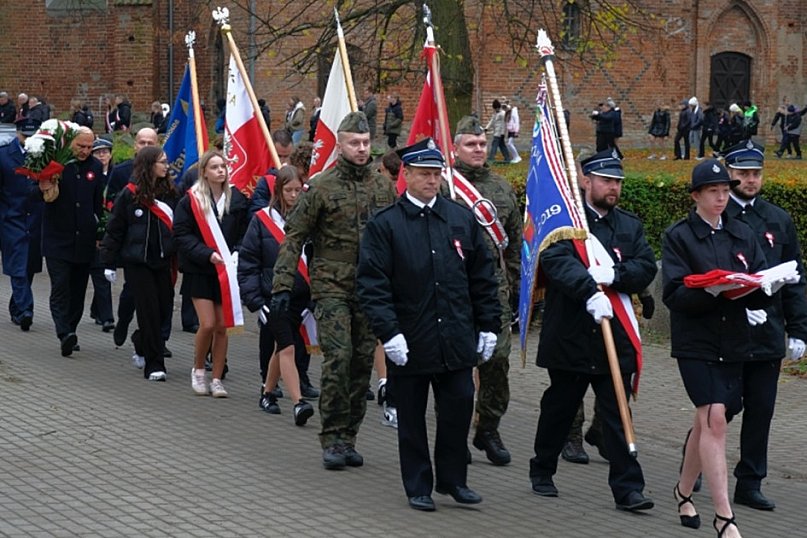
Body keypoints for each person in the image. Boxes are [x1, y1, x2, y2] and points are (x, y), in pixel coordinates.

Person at [356, 138, 500, 511]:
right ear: (406, 175)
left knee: (458, 409)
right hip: (411, 336)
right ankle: (418, 484)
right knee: (412, 417)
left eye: (436, 174)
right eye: (424, 174)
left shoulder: (459, 218)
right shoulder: (385, 225)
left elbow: (482, 276)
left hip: (454, 335)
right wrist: (389, 333)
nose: (431, 181)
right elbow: (373, 285)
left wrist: (488, 324)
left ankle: (453, 480)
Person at [529, 149, 657, 514]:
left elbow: (644, 265)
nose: (613, 187)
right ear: (587, 181)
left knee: (616, 412)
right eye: (605, 180)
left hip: (613, 335)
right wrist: (587, 290)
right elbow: (554, 260)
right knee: (560, 407)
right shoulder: (566, 221)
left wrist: (614, 276)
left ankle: (629, 488)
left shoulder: (628, 226)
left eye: (617, 181)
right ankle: (542, 468)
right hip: (571, 331)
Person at [269, 111, 397, 470]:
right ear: (340, 145)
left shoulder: (382, 186)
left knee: (360, 364)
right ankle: (331, 437)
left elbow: (396, 238)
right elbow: (294, 237)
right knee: (338, 358)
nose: (361, 148)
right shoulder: (321, 187)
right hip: (331, 285)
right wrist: (282, 284)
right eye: (354, 143)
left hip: (369, 287)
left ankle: (349, 436)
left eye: (366, 142)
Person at [663, 159, 775, 538]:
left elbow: (757, 275)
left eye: (726, 191)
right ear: (696, 195)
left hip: (734, 339)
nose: (722, 198)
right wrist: (713, 291)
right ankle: (724, 516)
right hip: (696, 340)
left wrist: (760, 292)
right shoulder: (680, 236)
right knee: (714, 418)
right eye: (714, 192)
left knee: (708, 420)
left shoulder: (742, 232)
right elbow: (674, 293)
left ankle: (682, 490)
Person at [723, 141, 807, 510]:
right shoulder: (719, 213)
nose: (751, 180)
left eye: (756, 173)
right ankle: (693, 468)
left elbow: (795, 277)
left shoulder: (777, 219)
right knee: (721, 406)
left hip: (768, 329)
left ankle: (750, 481)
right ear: (729, 173)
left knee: (761, 408)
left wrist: (800, 329)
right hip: (727, 329)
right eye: (743, 173)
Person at [451, 115, 521, 465]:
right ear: (455, 148)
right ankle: (456, 434)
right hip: (454, 292)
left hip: (495, 294)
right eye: (470, 144)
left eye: (481, 144)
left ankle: (488, 428)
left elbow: (513, 245)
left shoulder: (501, 188)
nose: (478, 149)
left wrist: (518, 291)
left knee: (497, 363)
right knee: (459, 368)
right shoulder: (445, 187)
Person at [238, 165, 315, 424]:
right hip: (272, 296)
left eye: (298, 190)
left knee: (281, 348)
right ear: (277, 191)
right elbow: (247, 264)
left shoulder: (310, 221)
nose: (294, 195)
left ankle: (267, 392)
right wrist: (255, 301)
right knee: (288, 347)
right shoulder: (261, 220)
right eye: (288, 190)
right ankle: (298, 403)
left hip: (301, 298)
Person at [174, 150, 249, 397]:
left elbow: (243, 233)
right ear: (204, 171)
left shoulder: (236, 199)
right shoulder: (191, 201)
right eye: (215, 167)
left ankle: (217, 378)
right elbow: (182, 235)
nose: (221, 171)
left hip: (225, 273)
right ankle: (198, 369)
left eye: (223, 167)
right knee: (206, 324)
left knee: (221, 327)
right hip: (201, 270)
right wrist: (206, 253)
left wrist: (237, 252)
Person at [100, 147, 177, 381]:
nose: (166, 166)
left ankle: (140, 341)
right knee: (149, 311)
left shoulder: (172, 194)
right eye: (161, 162)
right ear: (149, 165)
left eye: (167, 162)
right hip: (137, 262)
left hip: (163, 261)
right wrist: (109, 262)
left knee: (164, 309)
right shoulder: (129, 195)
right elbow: (115, 230)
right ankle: (154, 365)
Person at [38, 126, 104, 356]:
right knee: (60, 286)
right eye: (81, 146)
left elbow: (98, 204)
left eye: (89, 147)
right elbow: (34, 194)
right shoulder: (56, 163)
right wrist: (42, 187)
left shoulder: (96, 168)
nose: (85, 151)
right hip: (57, 239)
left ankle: (71, 330)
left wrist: (99, 233)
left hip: (84, 240)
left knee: (78, 290)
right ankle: (63, 331)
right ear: (70, 143)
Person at [0, 118, 41, 331]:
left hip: (35, 219)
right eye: (25, 136)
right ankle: (26, 309)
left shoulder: (43, 153)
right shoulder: (4, 155)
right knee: (18, 266)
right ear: (17, 134)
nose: (28, 141)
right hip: (11, 219)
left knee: (29, 267)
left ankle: (16, 307)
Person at [88, 138, 116, 332]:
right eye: (98, 152)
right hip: (94, 230)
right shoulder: (91, 175)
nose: (102, 156)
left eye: (105, 152)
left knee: (103, 271)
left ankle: (98, 309)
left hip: (113, 231)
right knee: (100, 272)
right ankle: (107, 317)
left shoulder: (116, 175)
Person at [504, 97, 521, 163]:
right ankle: (515, 157)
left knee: (510, 144)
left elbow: (517, 121)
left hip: (513, 130)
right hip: (510, 130)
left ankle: (517, 157)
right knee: (510, 144)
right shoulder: (507, 113)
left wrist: (516, 131)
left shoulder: (513, 112)